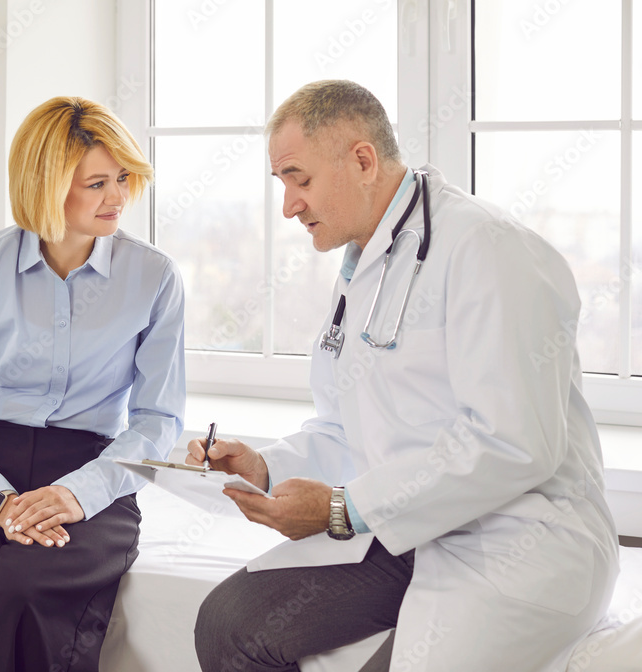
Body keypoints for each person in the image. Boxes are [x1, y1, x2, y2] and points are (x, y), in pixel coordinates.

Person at [187, 80, 619, 672]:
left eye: (299, 178)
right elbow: (349, 427)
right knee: (228, 625)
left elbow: (514, 443)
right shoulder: (364, 264)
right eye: (281, 183)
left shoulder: (488, 248)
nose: (289, 205)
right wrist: (266, 466)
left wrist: (343, 509)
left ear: (362, 160)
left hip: (520, 537)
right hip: (408, 528)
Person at [0, 96, 185, 672]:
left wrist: (76, 495)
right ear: (46, 184)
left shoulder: (154, 277)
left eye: (122, 178)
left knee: (20, 585)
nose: (118, 197)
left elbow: (158, 421)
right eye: (96, 183)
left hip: (91, 466)